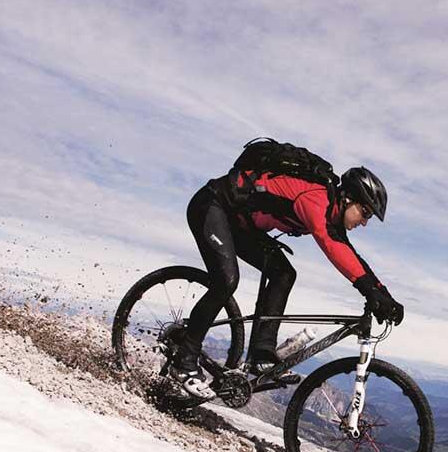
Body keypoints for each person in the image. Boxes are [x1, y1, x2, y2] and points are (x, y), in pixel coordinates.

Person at [169, 157, 404, 398]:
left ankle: (262, 354)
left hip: (240, 224)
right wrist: (370, 292)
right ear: (347, 198)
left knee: (283, 274)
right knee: (226, 280)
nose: (364, 222)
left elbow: (350, 253)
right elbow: (333, 246)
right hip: (212, 205)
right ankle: (184, 360)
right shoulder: (316, 199)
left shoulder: (330, 211)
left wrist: (384, 294)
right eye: (364, 213)